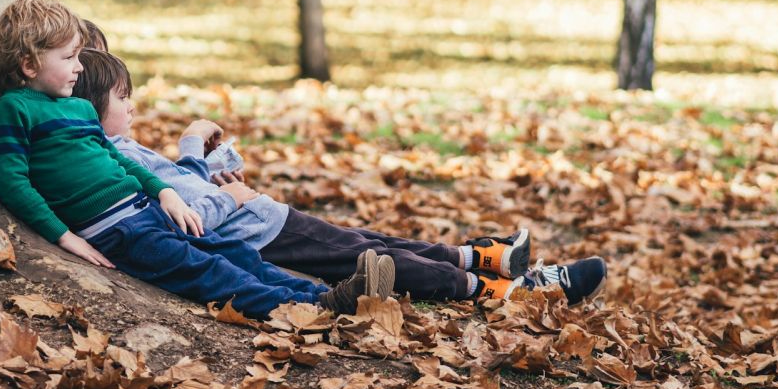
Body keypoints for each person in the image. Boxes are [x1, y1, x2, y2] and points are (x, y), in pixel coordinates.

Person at [71, 45, 608, 306]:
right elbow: (190, 212)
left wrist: (212, 170)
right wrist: (219, 182)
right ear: (91, 106)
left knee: (372, 241)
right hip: (258, 232)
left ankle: (483, 256)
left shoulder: (117, 146)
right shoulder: (114, 156)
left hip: (263, 218)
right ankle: (508, 292)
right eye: (123, 98)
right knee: (374, 259)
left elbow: (186, 190)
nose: (133, 107)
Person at [0, 0, 395, 319]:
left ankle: (328, 296)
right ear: (28, 63)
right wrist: (63, 236)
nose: (79, 67)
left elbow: (121, 162)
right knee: (210, 273)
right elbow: (13, 183)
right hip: (118, 232)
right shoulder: (15, 110)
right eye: (69, 58)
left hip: (148, 210)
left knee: (235, 255)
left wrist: (165, 193)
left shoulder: (78, 108)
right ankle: (307, 311)